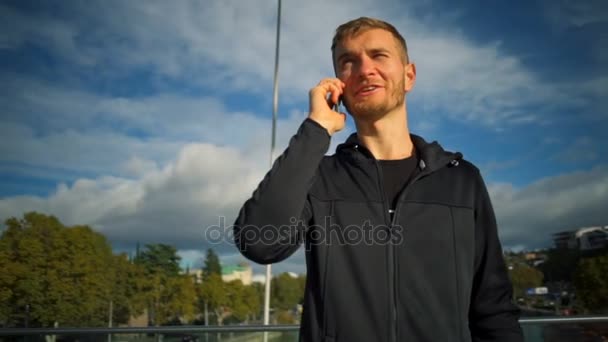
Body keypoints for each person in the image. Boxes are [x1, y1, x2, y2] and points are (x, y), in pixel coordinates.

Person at [233, 17, 523, 342]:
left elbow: (493, 307)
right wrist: (316, 130)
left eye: (379, 55)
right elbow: (259, 242)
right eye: (348, 62)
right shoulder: (319, 178)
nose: (364, 69)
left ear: (409, 75)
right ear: (339, 86)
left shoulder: (462, 181)